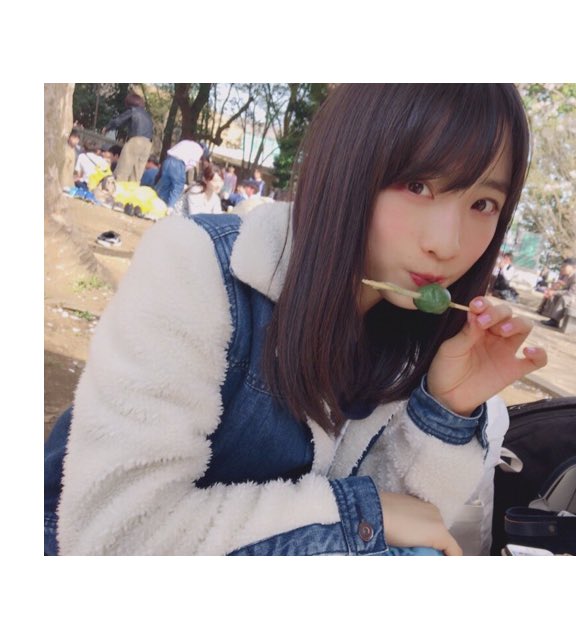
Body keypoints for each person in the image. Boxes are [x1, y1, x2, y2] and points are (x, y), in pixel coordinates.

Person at [45, 84, 546, 556]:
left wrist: (448, 408)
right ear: (349, 164)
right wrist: (356, 513)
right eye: (418, 185)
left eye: (483, 204)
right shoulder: (196, 267)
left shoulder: (412, 336)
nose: (448, 243)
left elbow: (409, 523)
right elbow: (113, 534)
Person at [103, 93, 153, 183]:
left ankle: (116, 188)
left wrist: (107, 127)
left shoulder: (133, 110)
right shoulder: (147, 115)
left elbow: (118, 121)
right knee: (136, 174)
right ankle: (132, 189)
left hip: (136, 140)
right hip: (147, 144)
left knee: (123, 169)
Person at [538, 257, 576, 327]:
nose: (562, 268)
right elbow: (568, 290)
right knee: (557, 295)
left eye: (564, 266)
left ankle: (554, 321)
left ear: (573, 267)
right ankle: (550, 316)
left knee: (565, 299)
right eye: (562, 266)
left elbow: (571, 293)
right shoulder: (572, 275)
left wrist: (554, 292)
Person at [153, 140, 204, 210]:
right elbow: (192, 164)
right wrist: (183, 173)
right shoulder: (199, 150)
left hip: (168, 160)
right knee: (178, 187)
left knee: (164, 185)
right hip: (179, 163)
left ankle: (155, 203)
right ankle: (170, 207)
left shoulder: (185, 142)